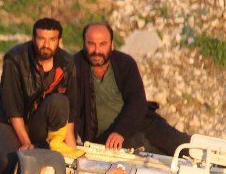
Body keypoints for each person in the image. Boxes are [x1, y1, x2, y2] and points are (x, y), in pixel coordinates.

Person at [72, 22, 189, 155]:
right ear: (84, 44)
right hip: (105, 140)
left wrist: (120, 131)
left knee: (183, 145)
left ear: (112, 45)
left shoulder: (125, 63)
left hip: (139, 123)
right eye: (91, 44)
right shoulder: (74, 67)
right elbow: (70, 111)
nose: (97, 51)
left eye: (102, 44)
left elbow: (137, 101)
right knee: (151, 157)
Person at [0, 17, 84, 172]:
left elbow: (70, 111)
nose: (46, 45)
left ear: (59, 41)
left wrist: (72, 150)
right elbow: (12, 107)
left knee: (60, 101)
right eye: (41, 39)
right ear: (33, 38)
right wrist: (26, 143)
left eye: (52, 40)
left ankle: (56, 144)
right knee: (13, 162)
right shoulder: (15, 59)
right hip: (8, 122)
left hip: (37, 123)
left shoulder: (67, 63)